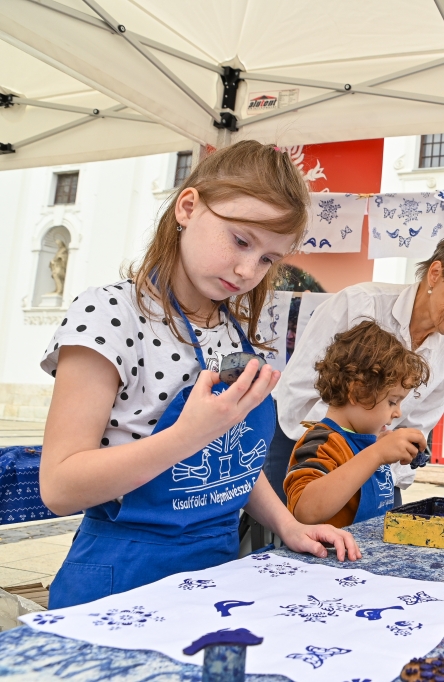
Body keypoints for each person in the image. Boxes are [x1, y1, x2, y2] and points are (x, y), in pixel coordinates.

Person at [39, 141, 361, 609]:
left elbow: (234, 464)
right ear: (188, 207)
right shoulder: (109, 313)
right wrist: (188, 435)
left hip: (217, 575)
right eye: (241, 241)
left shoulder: (233, 331)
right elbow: (60, 488)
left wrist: (287, 525)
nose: (248, 270)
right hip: (121, 579)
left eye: (268, 259)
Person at [268, 234, 444, 506]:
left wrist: (382, 467)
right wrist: (362, 451)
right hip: (302, 448)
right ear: (435, 274)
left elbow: (414, 432)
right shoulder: (359, 304)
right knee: (298, 529)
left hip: (377, 468)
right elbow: (298, 397)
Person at [284, 320, 430, 526]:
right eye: (392, 401)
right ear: (357, 392)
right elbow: (305, 510)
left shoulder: (367, 444)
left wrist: (378, 448)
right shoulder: (322, 442)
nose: (398, 413)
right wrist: (377, 454)